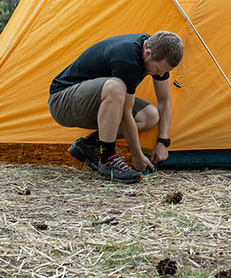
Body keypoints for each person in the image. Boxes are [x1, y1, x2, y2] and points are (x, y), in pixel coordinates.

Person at [48, 31, 184, 183]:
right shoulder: (127, 58)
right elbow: (126, 114)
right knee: (116, 87)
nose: (161, 74)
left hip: (93, 103)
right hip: (63, 102)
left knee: (150, 115)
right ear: (147, 53)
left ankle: (91, 145)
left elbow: (164, 100)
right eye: (159, 69)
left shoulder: (156, 50)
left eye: (166, 71)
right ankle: (107, 160)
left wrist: (163, 141)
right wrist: (137, 155)